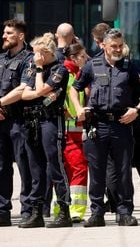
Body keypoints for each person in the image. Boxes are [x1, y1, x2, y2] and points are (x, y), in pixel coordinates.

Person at [69, 28, 140, 227]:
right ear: (104, 45)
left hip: (122, 125)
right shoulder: (92, 65)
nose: (118, 49)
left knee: (123, 171)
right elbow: (74, 89)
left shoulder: (131, 67)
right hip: (97, 124)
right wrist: (78, 108)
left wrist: (136, 110)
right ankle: (97, 213)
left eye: (120, 46)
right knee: (96, 171)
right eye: (114, 46)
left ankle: (124, 212)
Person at [0, 19, 34, 228]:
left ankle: (28, 210)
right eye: (4, 32)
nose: (4, 36)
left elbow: (22, 89)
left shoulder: (28, 59)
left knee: (24, 167)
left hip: (19, 121)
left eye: (9, 33)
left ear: (20, 36)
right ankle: (1, 212)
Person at [20, 33, 73, 228]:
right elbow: (24, 94)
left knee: (55, 164)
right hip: (33, 121)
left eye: (37, 54)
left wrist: (40, 72)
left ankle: (64, 210)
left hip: (51, 119)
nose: (35, 57)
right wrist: (38, 89)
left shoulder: (59, 69)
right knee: (36, 167)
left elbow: (42, 90)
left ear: (46, 53)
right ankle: (37, 211)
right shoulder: (34, 68)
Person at [59, 42, 91, 222]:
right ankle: (75, 211)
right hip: (68, 130)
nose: (86, 59)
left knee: (69, 169)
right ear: (73, 58)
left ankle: (62, 209)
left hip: (76, 130)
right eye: (83, 56)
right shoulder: (64, 73)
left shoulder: (77, 74)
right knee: (77, 168)